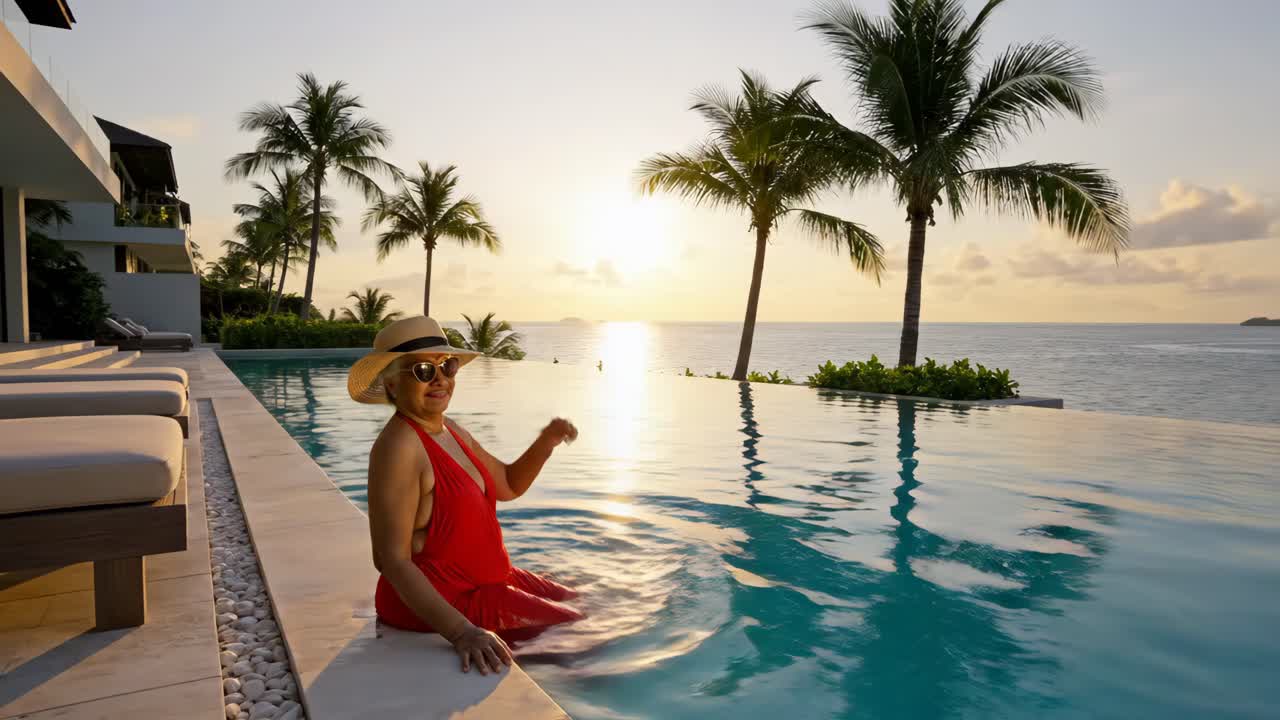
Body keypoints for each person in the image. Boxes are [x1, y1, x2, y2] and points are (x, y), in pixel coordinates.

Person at [347, 316, 583, 675]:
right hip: (448, 600)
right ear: (392, 384)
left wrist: (546, 441)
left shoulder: (451, 430)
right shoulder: (399, 447)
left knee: (578, 600)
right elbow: (390, 560)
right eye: (423, 370)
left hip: (484, 582)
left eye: (448, 366)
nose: (440, 378)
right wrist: (462, 632)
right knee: (580, 630)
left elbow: (507, 484)